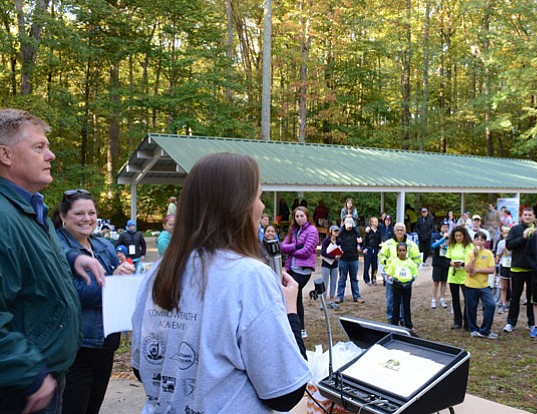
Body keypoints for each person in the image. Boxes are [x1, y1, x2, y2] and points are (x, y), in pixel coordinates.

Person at [131, 152, 311, 412]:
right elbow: (285, 393)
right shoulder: (249, 277)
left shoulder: (158, 271)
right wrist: (290, 311)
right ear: (240, 205)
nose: (261, 207)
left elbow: (142, 367)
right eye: (258, 197)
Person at [0, 108, 101, 414]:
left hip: (43, 375)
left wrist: (70, 258)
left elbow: (29, 256)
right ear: (5, 154)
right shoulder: (4, 217)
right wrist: (29, 373)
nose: (51, 155)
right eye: (39, 147)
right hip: (22, 386)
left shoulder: (28, 208)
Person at [52, 190, 135, 414]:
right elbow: (70, 294)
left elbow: (118, 288)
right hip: (77, 349)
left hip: (106, 346)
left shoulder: (104, 247)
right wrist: (113, 283)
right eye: (79, 213)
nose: (87, 218)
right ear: (63, 216)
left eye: (91, 212)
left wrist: (127, 275)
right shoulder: (55, 248)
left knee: (92, 408)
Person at [281, 205, 319, 339]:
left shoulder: (312, 230)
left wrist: (293, 250)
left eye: (301, 216)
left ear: (307, 216)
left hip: (303, 270)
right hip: (291, 268)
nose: (299, 218)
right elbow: (283, 246)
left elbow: (306, 251)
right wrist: (295, 246)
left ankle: (300, 329)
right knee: (295, 298)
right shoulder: (293, 230)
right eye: (297, 216)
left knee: (294, 297)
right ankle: (296, 328)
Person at [378, 223, 422, 323]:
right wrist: (387, 262)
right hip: (392, 276)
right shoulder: (388, 244)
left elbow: (418, 259)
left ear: (405, 231)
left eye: (401, 230)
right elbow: (381, 256)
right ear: (394, 231)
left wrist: (412, 270)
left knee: (404, 300)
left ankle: (403, 318)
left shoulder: (411, 245)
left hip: (406, 278)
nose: (399, 232)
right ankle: (391, 318)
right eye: (397, 230)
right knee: (390, 299)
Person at [503, 207, 537, 333]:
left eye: (530, 215)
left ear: (533, 216)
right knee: (515, 297)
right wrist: (523, 237)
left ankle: (532, 322)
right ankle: (511, 322)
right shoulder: (516, 229)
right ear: (522, 216)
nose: (527, 217)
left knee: (531, 297)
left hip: (532, 269)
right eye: (525, 215)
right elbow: (509, 245)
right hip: (517, 268)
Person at [464, 231, 498, 339]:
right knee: (471, 308)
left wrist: (478, 270)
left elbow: (492, 269)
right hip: (470, 285)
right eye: (477, 239)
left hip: (484, 285)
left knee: (490, 305)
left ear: (485, 242)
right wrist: (474, 258)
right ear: (473, 241)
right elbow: (467, 269)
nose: (479, 242)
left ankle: (485, 330)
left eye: (482, 240)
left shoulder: (488, 254)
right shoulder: (469, 253)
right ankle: (473, 328)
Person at [445, 226, 474, 330]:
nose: (458, 238)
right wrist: (451, 263)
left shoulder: (469, 246)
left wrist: (463, 264)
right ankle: (457, 321)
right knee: (455, 299)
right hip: (453, 275)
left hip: (465, 275)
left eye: (460, 235)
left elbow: (473, 260)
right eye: (456, 236)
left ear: (464, 235)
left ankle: (467, 322)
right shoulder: (451, 245)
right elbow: (446, 259)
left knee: (467, 299)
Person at [386, 243, 419, 331]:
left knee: (406, 305)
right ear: (397, 251)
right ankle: (394, 324)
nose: (402, 252)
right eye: (400, 250)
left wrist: (412, 279)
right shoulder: (394, 262)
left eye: (403, 250)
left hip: (407, 286)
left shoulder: (410, 262)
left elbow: (415, 273)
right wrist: (393, 279)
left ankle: (408, 325)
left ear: (406, 251)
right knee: (396, 305)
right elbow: (389, 274)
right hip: (397, 285)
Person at [336, 216, 364, 303]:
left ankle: (356, 296)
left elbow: (361, 242)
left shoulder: (355, 233)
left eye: (350, 225)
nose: (348, 227)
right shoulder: (342, 233)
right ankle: (340, 296)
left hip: (353, 258)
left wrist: (355, 229)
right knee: (342, 279)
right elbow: (337, 240)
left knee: (354, 279)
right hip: (343, 259)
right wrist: (342, 227)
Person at [430, 220, 451, 309]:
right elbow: (433, 246)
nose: (445, 228)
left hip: (446, 261)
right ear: (440, 227)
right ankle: (433, 300)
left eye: (446, 227)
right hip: (437, 261)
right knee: (435, 282)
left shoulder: (450, 237)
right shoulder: (435, 235)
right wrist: (443, 239)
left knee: (444, 282)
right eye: (443, 227)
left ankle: (442, 299)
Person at [320, 225, 342, 309]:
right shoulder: (326, 241)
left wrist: (339, 255)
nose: (336, 232)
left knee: (333, 283)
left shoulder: (339, 241)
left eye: (337, 231)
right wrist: (333, 256)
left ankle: (331, 301)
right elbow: (323, 252)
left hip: (334, 265)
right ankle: (323, 302)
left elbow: (341, 250)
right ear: (331, 232)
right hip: (326, 264)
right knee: (325, 283)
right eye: (334, 231)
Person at [495, 226, 512, 313]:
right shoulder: (501, 243)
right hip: (504, 264)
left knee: (512, 286)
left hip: (512, 265)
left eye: (508, 233)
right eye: (504, 233)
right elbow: (498, 256)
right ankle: (503, 303)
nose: (506, 235)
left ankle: (512, 303)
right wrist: (502, 251)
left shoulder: (513, 242)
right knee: (503, 286)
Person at [362, 216, 381, 285]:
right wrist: (364, 248)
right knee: (367, 265)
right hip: (369, 249)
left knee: (375, 265)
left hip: (376, 249)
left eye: (377, 221)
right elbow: (365, 240)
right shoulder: (368, 231)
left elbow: (379, 240)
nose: (376, 223)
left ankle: (374, 278)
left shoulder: (378, 231)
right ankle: (366, 279)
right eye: (375, 221)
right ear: (372, 223)